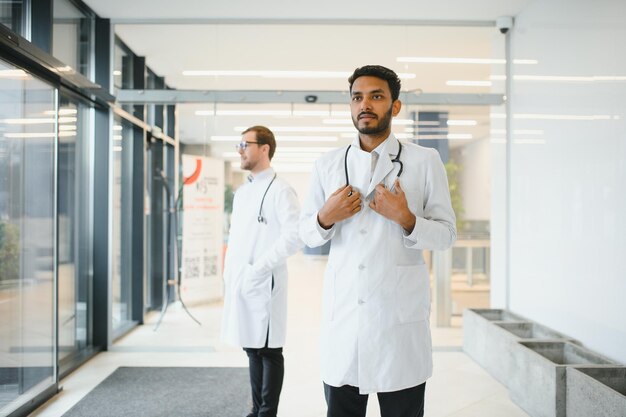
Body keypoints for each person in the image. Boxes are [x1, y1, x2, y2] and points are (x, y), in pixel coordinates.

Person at [299, 65, 457, 417]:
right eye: (357, 97)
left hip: (398, 327)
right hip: (346, 325)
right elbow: (304, 232)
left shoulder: (424, 161)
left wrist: (407, 218)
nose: (365, 104)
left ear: (395, 106)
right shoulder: (328, 164)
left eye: (376, 96)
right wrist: (326, 216)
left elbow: (447, 235)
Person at [221, 125, 302, 417]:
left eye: (245, 144)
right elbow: (237, 237)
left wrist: (259, 268)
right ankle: (256, 410)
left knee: (268, 350)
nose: (240, 150)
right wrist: (230, 273)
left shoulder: (281, 189)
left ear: (264, 148)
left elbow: (294, 237)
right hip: (242, 280)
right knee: (251, 347)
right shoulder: (243, 192)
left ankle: (267, 412)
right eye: (238, 144)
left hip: (264, 281)